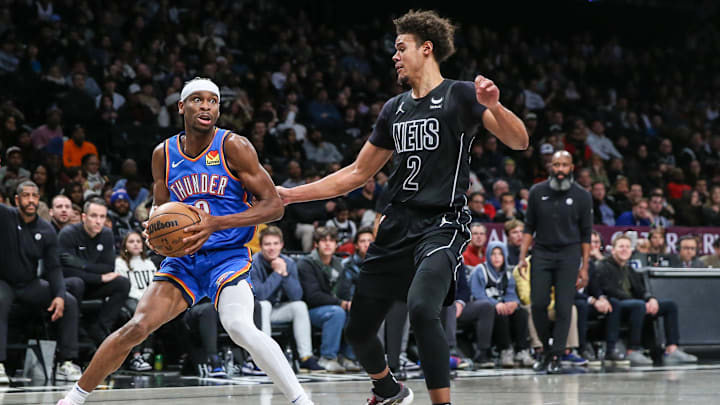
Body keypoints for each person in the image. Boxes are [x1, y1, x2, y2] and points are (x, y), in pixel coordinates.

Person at [278, 10, 528, 404]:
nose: (394, 56)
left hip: (442, 224)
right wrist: (292, 194)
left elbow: (519, 141)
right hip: (396, 224)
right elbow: (358, 172)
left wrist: (495, 107)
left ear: (426, 49)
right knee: (358, 330)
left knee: (422, 307)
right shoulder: (394, 109)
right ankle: (388, 388)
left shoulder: (462, 94)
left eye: (401, 47)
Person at [56, 78, 315, 405]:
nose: (206, 106)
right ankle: (73, 399)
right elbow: (159, 206)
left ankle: (301, 401)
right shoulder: (163, 153)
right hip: (183, 260)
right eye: (197, 99)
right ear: (181, 106)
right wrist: (152, 226)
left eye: (213, 101)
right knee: (136, 326)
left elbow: (274, 206)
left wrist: (215, 224)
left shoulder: (235, 146)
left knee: (238, 327)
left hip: (227, 255)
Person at [0, 181, 82, 383]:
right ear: (17, 200)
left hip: (29, 284)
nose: (30, 200)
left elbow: (54, 268)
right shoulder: (5, 216)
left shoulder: (46, 229)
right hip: (4, 282)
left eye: (34, 196)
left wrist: (59, 296)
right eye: (26, 196)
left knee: (69, 302)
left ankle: (66, 363)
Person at [518, 151, 592, 374]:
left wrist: (585, 266)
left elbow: (586, 234)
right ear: (550, 166)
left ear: (572, 168)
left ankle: (557, 354)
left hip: (569, 255)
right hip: (541, 253)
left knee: (563, 307)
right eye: (556, 165)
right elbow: (529, 226)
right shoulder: (537, 191)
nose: (560, 169)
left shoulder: (582, 196)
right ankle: (545, 351)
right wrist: (522, 256)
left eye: (564, 165)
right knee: (538, 304)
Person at [595, 235, 698, 365]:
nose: (624, 250)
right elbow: (610, 290)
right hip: (614, 304)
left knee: (670, 306)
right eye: (621, 246)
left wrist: (651, 299)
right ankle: (632, 350)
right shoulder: (603, 266)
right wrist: (643, 303)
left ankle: (671, 349)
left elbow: (641, 290)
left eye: (627, 247)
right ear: (613, 249)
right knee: (638, 305)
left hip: (635, 304)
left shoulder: (629, 269)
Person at [250, 226, 324, 372]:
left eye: (275, 243)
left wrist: (284, 272)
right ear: (260, 246)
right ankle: (264, 358)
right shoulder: (253, 263)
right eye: (267, 244)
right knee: (264, 305)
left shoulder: (288, 263)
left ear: (282, 245)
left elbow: (296, 295)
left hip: (277, 310)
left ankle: (306, 358)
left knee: (300, 306)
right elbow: (261, 295)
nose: (272, 248)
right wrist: (277, 273)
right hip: (255, 313)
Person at [58, 198, 130, 345]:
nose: (98, 221)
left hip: (91, 284)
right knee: (77, 282)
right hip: (71, 285)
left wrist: (81, 264)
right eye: (94, 216)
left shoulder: (107, 234)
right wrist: (99, 278)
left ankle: (100, 328)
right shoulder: (68, 234)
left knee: (122, 283)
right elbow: (66, 270)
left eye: (102, 217)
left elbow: (108, 268)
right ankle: (76, 330)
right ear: (84, 217)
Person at [297, 227, 361, 373]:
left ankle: (347, 357)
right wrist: (341, 303)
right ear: (316, 244)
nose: (328, 244)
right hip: (309, 311)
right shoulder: (307, 263)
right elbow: (312, 296)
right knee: (337, 312)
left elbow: (344, 292)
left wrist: (349, 302)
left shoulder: (339, 264)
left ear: (336, 244)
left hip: (334, 306)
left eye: (331, 241)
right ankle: (327, 357)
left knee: (356, 310)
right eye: (323, 241)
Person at [469, 242, 532, 368]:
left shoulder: (508, 273)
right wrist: (496, 304)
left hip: (502, 307)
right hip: (485, 309)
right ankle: (505, 350)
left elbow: (511, 293)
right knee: (500, 314)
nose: (497, 257)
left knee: (521, 312)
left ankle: (521, 351)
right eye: (493, 254)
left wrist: (513, 302)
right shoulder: (480, 271)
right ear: (488, 255)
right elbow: (477, 294)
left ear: (505, 256)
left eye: (500, 254)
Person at [113, 231, 154, 372]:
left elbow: (155, 285)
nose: (136, 244)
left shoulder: (148, 263)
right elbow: (124, 287)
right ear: (125, 246)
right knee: (139, 315)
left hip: (149, 299)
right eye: (131, 241)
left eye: (138, 241)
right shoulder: (120, 262)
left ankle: (148, 352)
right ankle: (136, 356)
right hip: (130, 298)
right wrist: (143, 299)